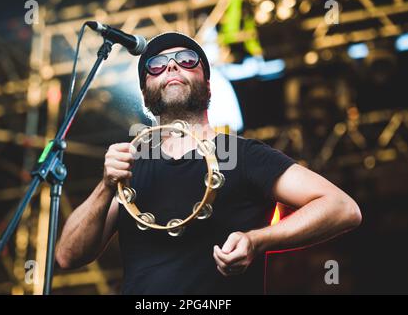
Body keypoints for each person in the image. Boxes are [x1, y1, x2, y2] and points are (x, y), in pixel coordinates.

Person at [55, 32, 362, 294]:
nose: (172, 66)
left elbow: (342, 207)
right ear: (145, 95)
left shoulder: (244, 155)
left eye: (187, 59)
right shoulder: (130, 168)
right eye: (156, 65)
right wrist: (106, 186)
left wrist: (257, 240)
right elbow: (68, 255)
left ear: (208, 85)